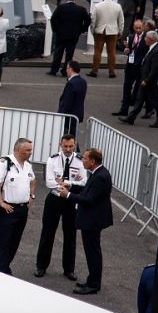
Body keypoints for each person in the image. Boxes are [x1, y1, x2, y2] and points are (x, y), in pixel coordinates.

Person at [34, 133, 86, 282]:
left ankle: (69, 269)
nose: (68, 149)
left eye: (71, 146)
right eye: (65, 146)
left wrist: (66, 183)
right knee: (47, 233)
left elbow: (83, 183)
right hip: (54, 200)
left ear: (75, 145)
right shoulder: (53, 159)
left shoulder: (80, 161)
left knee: (70, 235)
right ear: (60, 145)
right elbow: (49, 183)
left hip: (70, 200)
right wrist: (70, 183)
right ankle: (41, 266)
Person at [0, 137, 36, 275]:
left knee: (15, 241)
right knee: (4, 242)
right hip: (8, 209)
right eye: (27, 150)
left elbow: (33, 181)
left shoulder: (28, 165)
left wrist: (31, 197)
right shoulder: (4, 163)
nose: (30, 152)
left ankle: (5, 267)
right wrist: (1, 202)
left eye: (30, 150)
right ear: (18, 150)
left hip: (22, 209)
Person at [69, 147, 112, 294]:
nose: (83, 161)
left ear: (93, 161)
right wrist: (70, 186)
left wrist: (67, 195)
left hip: (93, 220)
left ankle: (94, 283)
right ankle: (92, 279)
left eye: (85, 159)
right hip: (92, 219)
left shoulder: (100, 177)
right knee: (91, 251)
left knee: (92, 251)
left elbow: (88, 199)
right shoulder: (97, 173)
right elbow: (86, 190)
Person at [121, 31, 158, 128]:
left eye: (146, 38)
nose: (144, 39)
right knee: (139, 100)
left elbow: (154, 69)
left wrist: (147, 80)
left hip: (150, 82)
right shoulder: (152, 49)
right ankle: (131, 118)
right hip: (145, 80)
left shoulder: (157, 51)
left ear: (151, 39)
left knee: (156, 101)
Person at [48, 0, 88, 77]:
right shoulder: (81, 9)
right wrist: (82, 29)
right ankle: (66, 71)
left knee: (58, 52)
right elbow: (88, 20)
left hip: (61, 34)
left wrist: (55, 30)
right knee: (69, 54)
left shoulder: (61, 8)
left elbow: (53, 19)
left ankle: (54, 70)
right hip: (73, 35)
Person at [90, 0, 123, 78]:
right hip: (112, 31)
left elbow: (93, 20)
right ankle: (111, 71)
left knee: (97, 51)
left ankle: (95, 70)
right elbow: (121, 21)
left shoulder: (97, 6)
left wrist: (93, 30)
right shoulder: (117, 6)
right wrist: (120, 31)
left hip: (100, 30)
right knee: (112, 52)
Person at [57, 59, 86, 138]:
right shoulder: (82, 81)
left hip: (68, 117)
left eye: (67, 68)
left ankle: (76, 150)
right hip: (77, 115)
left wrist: (61, 115)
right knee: (72, 136)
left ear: (70, 69)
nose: (66, 71)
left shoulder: (71, 84)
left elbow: (67, 102)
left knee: (68, 137)